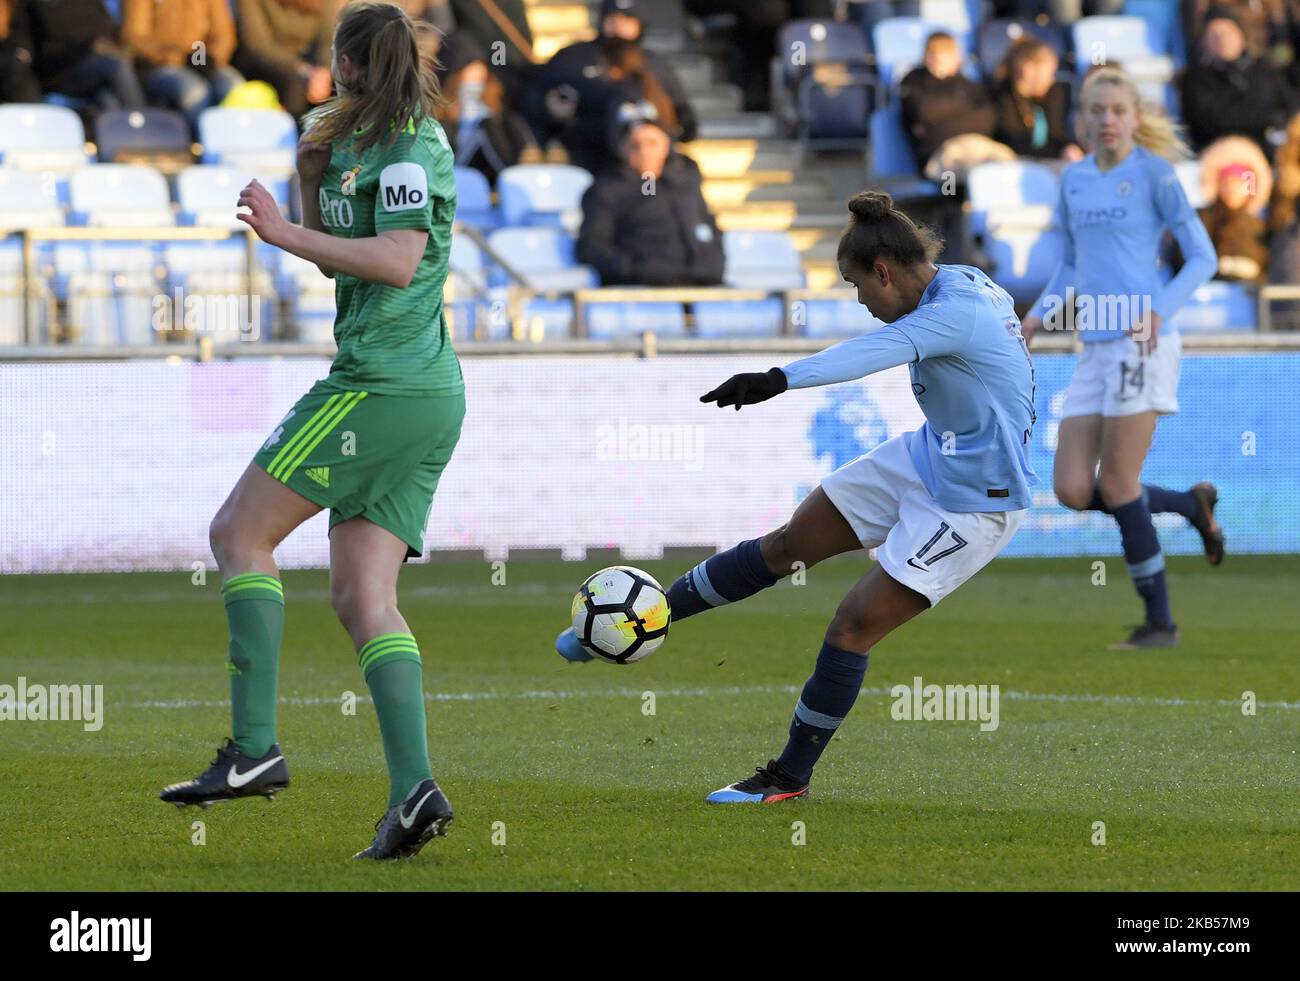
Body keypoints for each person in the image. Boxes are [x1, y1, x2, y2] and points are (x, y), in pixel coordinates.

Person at [557, 191, 1038, 802]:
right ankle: (645, 620)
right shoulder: (962, 281)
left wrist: (778, 379)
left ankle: (788, 777)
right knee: (787, 545)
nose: (860, 301)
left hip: (976, 500)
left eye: (856, 285)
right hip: (929, 454)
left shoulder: (955, 310)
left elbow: (872, 353)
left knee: (851, 626)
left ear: (884, 271)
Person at [160, 1, 465, 862]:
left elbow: (399, 259)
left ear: (362, 59)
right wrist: (306, 176)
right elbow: (342, 242)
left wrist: (286, 228)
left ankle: (254, 749)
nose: (333, 67)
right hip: (420, 391)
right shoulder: (353, 138)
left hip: (381, 386)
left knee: (236, 531)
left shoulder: (411, 144)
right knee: (362, 599)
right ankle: (414, 791)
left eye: (341, 54)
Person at [1021, 66, 1223, 650]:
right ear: (1084, 119)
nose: (1107, 120)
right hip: (1095, 347)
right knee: (1073, 489)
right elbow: (1071, 266)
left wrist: (1159, 309)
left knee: (1118, 481)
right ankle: (1189, 505)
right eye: (1097, 111)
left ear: (1135, 117)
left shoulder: (1156, 176)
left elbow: (1202, 257)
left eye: (1118, 111)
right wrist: (1037, 317)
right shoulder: (1075, 180)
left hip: (1143, 343)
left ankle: (1160, 623)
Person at [521, 0, 696, 173]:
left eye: (627, 19)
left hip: (644, 160)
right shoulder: (574, 58)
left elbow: (683, 116)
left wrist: (668, 133)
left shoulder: (655, 65)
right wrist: (549, 108)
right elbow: (533, 91)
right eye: (612, 18)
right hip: (583, 156)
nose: (619, 25)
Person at [576, 118, 724, 286]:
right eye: (634, 145)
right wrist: (635, 270)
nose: (644, 151)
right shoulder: (605, 190)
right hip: (641, 292)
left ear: (667, 146)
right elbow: (591, 247)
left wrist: (713, 265)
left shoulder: (686, 184)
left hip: (702, 284)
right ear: (621, 149)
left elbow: (710, 228)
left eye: (652, 143)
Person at [899, 31, 1014, 184]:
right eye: (933, 52)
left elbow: (989, 117)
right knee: (965, 178)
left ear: (957, 56)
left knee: (1010, 166)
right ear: (925, 56)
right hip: (942, 153)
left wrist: (944, 121)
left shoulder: (969, 85)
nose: (939, 58)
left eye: (946, 52)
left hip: (979, 144)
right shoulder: (914, 81)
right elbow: (925, 113)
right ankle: (952, 204)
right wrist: (964, 115)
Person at [428, 28, 538, 186]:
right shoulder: (440, 111)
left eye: (480, 64)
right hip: (457, 176)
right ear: (455, 73)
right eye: (469, 65)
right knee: (485, 126)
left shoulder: (493, 96)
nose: (478, 71)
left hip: (494, 177)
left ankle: (517, 182)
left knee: (493, 124)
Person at [1180, 10, 1297, 156]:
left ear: (1241, 36)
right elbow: (1216, 123)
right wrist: (1269, 119)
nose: (1222, 40)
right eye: (1214, 35)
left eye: (1228, 33)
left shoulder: (1264, 70)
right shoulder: (1195, 79)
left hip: (1270, 153)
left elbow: (1291, 104)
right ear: (1204, 42)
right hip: (1222, 156)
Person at [122, 0, 244, 129]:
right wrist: (180, 58)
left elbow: (223, 34)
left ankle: (233, 142)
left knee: (233, 85)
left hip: (202, 60)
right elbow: (135, 39)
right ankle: (198, 141)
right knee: (194, 92)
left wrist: (211, 58)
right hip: (158, 66)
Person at [25, 0, 146, 109]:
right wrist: (89, 46)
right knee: (117, 65)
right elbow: (48, 46)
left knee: (108, 99)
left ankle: (125, 131)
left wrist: (107, 44)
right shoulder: (39, 5)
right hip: (61, 72)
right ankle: (143, 123)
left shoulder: (90, 3)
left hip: (93, 66)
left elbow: (105, 26)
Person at [231, 0, 338, 118]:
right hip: (266, 66)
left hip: (313, 64)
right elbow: (257, 46)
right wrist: (302, 70)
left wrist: (323, 70)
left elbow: (328, 37)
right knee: (295, 85)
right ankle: (291, 132)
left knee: (342, 81)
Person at [992, 37, 1083, 164]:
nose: (1052, 80)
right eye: (1049, 72)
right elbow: (1015, 147)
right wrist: (1057, 154)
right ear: (1028, 70)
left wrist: (1068, 147)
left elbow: (1057, 134)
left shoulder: (1051, 96)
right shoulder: (1002, 100)